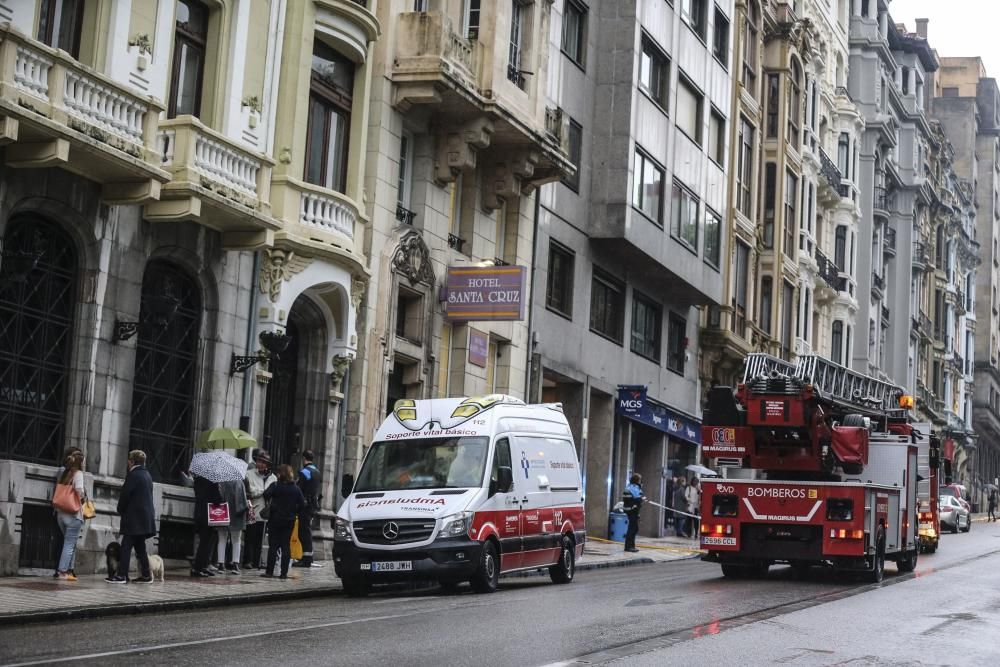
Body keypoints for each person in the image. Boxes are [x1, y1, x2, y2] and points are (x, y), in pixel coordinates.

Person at [107, 450, 156, 584]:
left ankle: (122, 575)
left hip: (134, 518)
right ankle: (146, 575)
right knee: (140, 548)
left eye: (129, 460)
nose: (128, 462)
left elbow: (125, 495)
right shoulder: (147, 474)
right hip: (144, 518)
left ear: (132, 461)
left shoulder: (133, 475)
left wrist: (120, 509)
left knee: (126, 546)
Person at [262, 464, 305, 579]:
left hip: (275, 520)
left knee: (273, 546)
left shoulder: (276, 485)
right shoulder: (296, 488)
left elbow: (266, 494)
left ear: (281, 474)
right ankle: (283, 573)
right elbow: (302, 504)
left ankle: (269, 572)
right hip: (289, 520)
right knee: (286, 546)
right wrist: (294, 511)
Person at [52, 447, 84, 578]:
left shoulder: (65, 472)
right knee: (69, 544)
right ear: (80, 462)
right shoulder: (78, 474)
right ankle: (63, 571)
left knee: (68, 542)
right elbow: (79, 489)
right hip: (73, 514)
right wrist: (82, 498)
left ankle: (68, 570)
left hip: (61, 512)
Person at [244, 449, 276, 569]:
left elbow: (275, 493)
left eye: (263, 462)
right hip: (252, 509)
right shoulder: (249, 474)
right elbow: (250, 491)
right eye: (259, 461)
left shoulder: (272, 478)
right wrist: (263, 492)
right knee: (250, 537)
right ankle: (248, 560)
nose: (261, 464)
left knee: (259, 539)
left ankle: (256, 561)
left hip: (265, 512)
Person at [190, 466, 223, 577]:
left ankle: (203, 566)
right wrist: (219, 490)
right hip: (208, 516)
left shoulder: (198, 481)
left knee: (204, 542)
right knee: (205, 543)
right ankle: (198, 568)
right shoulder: (213, 482)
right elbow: (217, 500)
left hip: (199, 514)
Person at [293, 450, 321, 568]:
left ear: (304, 458)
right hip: (313, 505)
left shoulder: (304, 472)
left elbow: (299, 489)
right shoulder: (317, 472)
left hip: (304, 506)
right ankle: (308, 557)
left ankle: (306, 559)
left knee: (303, 532)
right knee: (306, 530)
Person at [215, 478, 248, 573]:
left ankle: (221, 564)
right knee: (236, 539)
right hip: (236, 514)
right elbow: (242, 501)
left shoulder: (219, 480)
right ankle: (235, 564)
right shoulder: (238, 481)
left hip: (222, 511)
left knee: (221, 539)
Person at [622, 473, 646, 553]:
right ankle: (629, 547)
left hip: (630, 510)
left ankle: (631, 546)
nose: (641, 481)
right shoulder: (634, 488)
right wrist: (642, 499)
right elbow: (638, 498)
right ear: (637, 480)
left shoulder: (630, 486)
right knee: (632, 528)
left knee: (634, 528)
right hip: (632, 510)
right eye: (640, 479)